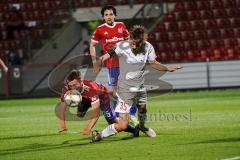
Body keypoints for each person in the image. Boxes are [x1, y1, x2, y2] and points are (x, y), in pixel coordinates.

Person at [92, 25, 182, 141]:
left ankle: (143, 126)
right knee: (122, 125)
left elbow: (153, 63)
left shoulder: (148, 47)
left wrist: (166, 68)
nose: (133, 44)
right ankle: (99, 135)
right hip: (125, 90)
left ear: (142, 40)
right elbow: (109, 55)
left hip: (140, 87)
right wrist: (99, 61)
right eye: (132, 41)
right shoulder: (122, 46)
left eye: (136, 42)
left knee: (143, 109)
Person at [90, 5, 138, 126]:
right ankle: (119, 114)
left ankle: (131, 114)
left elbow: (129, 41)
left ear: (115, 15)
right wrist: (94, 61)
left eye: (111, 14)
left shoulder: (121, 25)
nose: (109, 17)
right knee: (115, 92)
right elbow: (92, 45)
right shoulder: (100, 29)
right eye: (106, 15)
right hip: (112, 64)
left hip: (125, 63)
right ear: (103, 17)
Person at [58, 70, 138, 136]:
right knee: (80, 114)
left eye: (75, 85)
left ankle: (134, 130)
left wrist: (88, 128)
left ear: (80, 81)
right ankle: (83, 106)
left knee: (111, 121)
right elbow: (62, 108)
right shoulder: (66, 89)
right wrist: (62, 125)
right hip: (86, 99)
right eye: (70, 86)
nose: (72, 88)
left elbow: (96, 114)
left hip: (103, 98)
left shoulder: (91, 89)